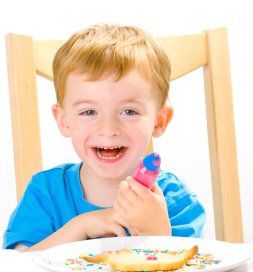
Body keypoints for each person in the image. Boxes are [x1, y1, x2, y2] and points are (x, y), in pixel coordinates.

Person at [3, 24, 205, 251]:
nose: (108, 129)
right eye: (89, 112)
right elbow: (18, 271)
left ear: (159, 120)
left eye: (129, 111)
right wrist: (80, 226)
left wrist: (157, 233)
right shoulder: (46, 192)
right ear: (63, 120)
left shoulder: (175, 201)